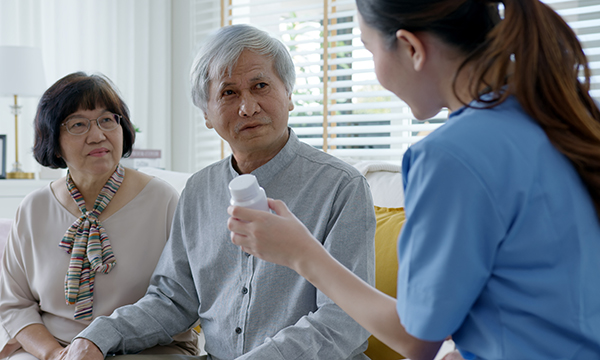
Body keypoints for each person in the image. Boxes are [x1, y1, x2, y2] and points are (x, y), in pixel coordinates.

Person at [226, 1, 600, 360]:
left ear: (410, 47)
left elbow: (416, 339)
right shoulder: (559, 117)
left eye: (369, 50)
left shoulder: (450, 156)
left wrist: (302, 254)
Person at [63, 24, 375, 360]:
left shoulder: (341, 187)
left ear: (289, 94)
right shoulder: (199, 190)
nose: (248, 107)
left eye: (261, 86)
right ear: (207, 115)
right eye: (228, 93)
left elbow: (345, 320)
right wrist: (95, 338)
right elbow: (172, 300)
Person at [0, 72, 199, 360]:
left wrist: (96, 344)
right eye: (78, 124)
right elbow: (15, 304)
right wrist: (54, 354)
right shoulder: (34, 209)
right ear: (53, 140)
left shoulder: (162, 200)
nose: (98, 136)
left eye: (107, 120)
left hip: (147, 348)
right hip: (54, 347)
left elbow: (181, 300)